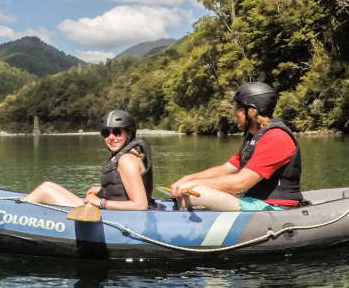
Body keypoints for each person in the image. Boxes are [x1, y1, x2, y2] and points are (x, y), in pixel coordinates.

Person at [169, 82, 303, 212]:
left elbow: (242, 182)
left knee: (196, 193)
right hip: (254, 200)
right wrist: (189, 179)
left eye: (239, 108)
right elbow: (226, 169)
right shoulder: (254, 137)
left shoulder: (276, 138)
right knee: (193, 191)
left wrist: (195, 185)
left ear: (251, 111)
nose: (235, 113)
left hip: (274, 207)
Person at [22, 110, 153, 210]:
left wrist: (101, 202)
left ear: (128, 133)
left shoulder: (127, 160)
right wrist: (102, 190)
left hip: (114, 217)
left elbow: (140, 205)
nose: (111, 137)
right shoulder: (127, 156)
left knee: (45, 191)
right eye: (106, 133)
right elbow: (123, 188)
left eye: (117, 132)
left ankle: (14, 217)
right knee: (48, 185)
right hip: (108, 212)